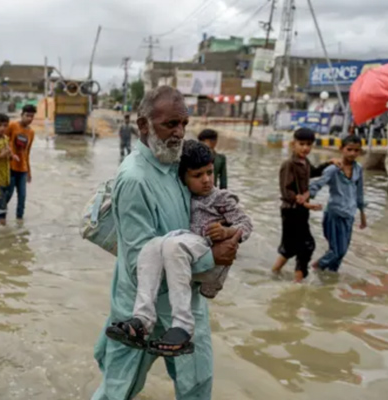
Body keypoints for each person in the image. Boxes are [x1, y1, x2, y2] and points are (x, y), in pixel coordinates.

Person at [92, 86, 241, 400]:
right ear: (143, 125)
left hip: (185, 300)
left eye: (184, 124)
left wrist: (224, 229)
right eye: (170, 124)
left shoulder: (177, 164)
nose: (179, 133)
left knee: (198, 385)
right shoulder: (134, 179)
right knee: (118, 391)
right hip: (142, 308)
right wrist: (211, 257)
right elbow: (137, 263)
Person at [106, 140, 252, 357]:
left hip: (205, 249)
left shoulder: (220, 198)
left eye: (210, 173)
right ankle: (142, 320)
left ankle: (182, 326)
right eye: (198, 175)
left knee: (172, 245)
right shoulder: (181, 193)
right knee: (152, 247)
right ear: (182, 176)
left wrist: (227, 232)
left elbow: (246, 224)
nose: (206, 180)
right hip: (186, 249)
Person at [271, 128, 336, 283]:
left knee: (290, 246)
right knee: (306, 246)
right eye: (302, 144)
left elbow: (312, 172)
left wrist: (328, 164)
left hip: (300, 210)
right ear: (293, 144)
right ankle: (297, 283)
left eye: (309, 145)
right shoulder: (289, 165)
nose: (305, 148)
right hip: (290, 211)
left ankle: (274, 273)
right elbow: (286, 191)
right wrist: (305, 203)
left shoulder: (304, 162)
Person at [309, 135, 367, 272]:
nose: (353, 153)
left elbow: (359, 192)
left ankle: (329, 283)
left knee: (341, 254)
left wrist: (363, 215)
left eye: (356, 150)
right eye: (349, 149)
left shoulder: (358, 169)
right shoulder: (333, 169)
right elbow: (318, 184)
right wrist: (306, 200)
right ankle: (314, 268)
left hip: (349, 214)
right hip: (334, 214)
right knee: (336, 252)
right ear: (341, 149)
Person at [6, 104, 36, 221]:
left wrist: (29, 171)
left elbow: (27, 152)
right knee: (8, 194)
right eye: (27, 115)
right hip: (11, 167)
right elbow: (3, 140)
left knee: (22, 197)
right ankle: (0, 214)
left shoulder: (31, 132)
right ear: (22, 115)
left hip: (23, 169)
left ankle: (19, 221)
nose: (29, 118)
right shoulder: (13, 126)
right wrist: (10, 154)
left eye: (32, 116)